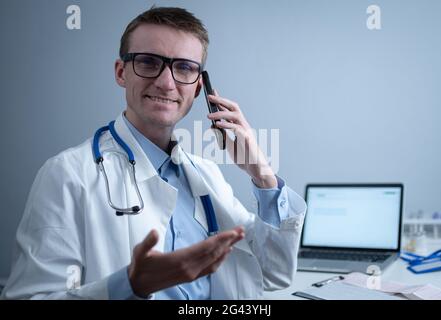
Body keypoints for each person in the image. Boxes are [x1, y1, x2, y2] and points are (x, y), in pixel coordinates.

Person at [1, 6, 306, 300]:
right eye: (148, 62)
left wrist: (262, 173)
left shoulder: (207, 175)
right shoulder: (67, 174)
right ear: (122, 72)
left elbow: (274, 273)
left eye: (184, 67)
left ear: (199, 89)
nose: (165, 82)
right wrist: (130, 286)